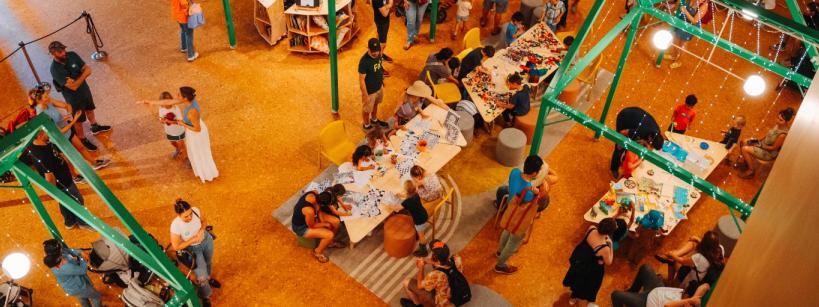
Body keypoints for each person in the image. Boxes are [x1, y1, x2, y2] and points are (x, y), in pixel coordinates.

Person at [138, 87, 219, 182]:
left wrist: (182, 123)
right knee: (195, 152)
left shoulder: (192, 111)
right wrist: (149, 102)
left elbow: (197, 129)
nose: (176, 96)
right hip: (191, 128)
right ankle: (201, 171)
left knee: (199, 153)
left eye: (179, 94)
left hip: (196, 133)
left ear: (184, 98)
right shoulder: (188, 101)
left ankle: (207, 173)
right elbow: (167, 102)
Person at [29, 83, 110, 169]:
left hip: (66, 130)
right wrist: (74, 120)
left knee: (81, 147)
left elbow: (66, 105)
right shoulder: (42, 115)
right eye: (45, 97)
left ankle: (94, 163)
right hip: (58, 138)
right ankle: (75, 177)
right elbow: (58, 132)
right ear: (39, 101)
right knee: (68, 158)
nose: (48, 97)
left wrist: (69, 114)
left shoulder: (48, 101)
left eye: (47, 95)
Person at [48, 41, 111, 152]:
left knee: (90, 109)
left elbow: (88, 69)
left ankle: (95, 126)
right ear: (53, 54)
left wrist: (77, 80)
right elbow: (73, 87)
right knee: (78, 120)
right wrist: (82, 76)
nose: (63, 53)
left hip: (85, 90)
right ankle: (82, 138)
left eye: (63, 50)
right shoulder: (55, 69)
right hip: (73, 98)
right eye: (60, 52)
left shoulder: (72, 55)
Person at [28, 131, 93, 230]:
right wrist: (54, 192)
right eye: (46, 132)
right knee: (77, 200)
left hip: (63, 180)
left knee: (64, 202)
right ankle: (83, 222)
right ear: (40, 135)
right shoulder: (42, 154)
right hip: (63, 183)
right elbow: (49, 176)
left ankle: (69, 221)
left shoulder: (39, 145)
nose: (48, 132)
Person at [494, 155, 543, 274]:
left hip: (510, 210)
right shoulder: (529, 193)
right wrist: (537, 192)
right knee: (513, 241)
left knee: (506, 231)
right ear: (534, 173)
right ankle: (500, 265)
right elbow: (532, 205)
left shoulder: (514, 172)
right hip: (519, 218)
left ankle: (499, 251)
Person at [170, 199, 220, 306]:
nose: (190, 218)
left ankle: (209, 278)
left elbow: (204, 220)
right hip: (193, 249)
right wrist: (192, 240)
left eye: (190, 214)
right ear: (178, 215)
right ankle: (205, 296)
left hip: (206, 240)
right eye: (186, 217)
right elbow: (176, 246)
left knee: (208, 262)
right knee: (201, 275)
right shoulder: (176, 226)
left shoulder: (195, 210)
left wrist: (202, 230)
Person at [562, 218, 617, 306]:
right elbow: (609, 262)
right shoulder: (605, 248)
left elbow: (588, 245)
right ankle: (581, 299)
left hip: (580, 261)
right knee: (586, 285)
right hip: (590, 269)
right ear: (609, 232)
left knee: (577, 280)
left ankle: (572, 298)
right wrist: (610, 244)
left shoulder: (591, 228)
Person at [611, 264, 711, 307]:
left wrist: (689, 301)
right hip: (658, 288)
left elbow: (667, 305)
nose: (683, 291)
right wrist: (694, 298)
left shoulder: (685, 303)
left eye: (685, 293)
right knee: (645, 267)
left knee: (615, 295)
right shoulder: (692, 299)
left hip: (647, 302)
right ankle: (633, 291)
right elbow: (705, 286)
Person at [401, 240, 465, 307]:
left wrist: (421, 268)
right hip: (456, 296)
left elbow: (419, 285)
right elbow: (443, 264)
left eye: (433, 253)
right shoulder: (457, 258)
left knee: (406, 282)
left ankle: (417, 305)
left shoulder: (435, 275)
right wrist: (429, 261)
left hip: (443, 303)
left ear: (436, 259)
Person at [736, 107, 794, 179]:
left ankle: (751, 171)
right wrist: (757, 140)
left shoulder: (782, 135)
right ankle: (747, 161)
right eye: (778, 118)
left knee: (744, 149)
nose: (777, 121)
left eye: (780, 120)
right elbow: (768, 134)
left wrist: (760, 146)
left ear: (786, 122)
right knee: (743, 141)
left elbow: (774, 148)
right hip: (762, 144)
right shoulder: (778, 125)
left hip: (768, 152)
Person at [654, 230, 724, 289]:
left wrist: (671, 254)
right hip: (701, 273)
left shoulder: (699, 258)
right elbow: (708, 247)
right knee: (693, 243)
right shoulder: (720, 249)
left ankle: (669, 283)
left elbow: (682, 261)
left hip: (690, 279)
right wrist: (697, 239)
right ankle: (671, 256)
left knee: (673, 260)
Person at [43, 240, 102, 307]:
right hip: (79, 287)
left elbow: (68, 250)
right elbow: (82, 270)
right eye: (60, 248)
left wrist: (80, 252)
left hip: (73, 287)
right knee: (97, 297)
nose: (62, 249)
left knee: (83, 297)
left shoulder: (53, 257)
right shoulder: (64, 267)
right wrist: (84, 259)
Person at [291, 191, 344, 263]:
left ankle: (330, 243)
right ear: (322, 204)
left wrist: (322, 221)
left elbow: (318, 210)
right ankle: (317, 252)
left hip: (313, 218)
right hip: (302, 227)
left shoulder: (314, 193)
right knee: (329, 235)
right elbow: (312, 226)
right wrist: (325, 224)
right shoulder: (309, 211)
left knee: (336, 221)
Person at [611, 107, 664, 178]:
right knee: (620, 148)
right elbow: (622, 132)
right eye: (651, 146)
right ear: (649, 138)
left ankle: (625, 162)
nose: (651, 148)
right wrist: (620, 142)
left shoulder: (656, 132)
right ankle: (614, 168)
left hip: (636, 118)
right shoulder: (641, 131)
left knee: (632, 144)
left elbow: (646, 145)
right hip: (624, 118)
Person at [388, 181, 431, 256]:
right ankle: (419, 236)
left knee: (422, 236)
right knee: (420, 233)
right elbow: (408, 196)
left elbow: (397, 209)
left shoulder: (407, 202)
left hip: (419, 220)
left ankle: (424, 251)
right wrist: (401, 195)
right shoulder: (416, 194)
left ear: (407, 191)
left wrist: (389, 205)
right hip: (423, 214)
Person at [667, 0, 709, 69]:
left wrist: (685, 11)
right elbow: (679, 3)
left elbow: (694, 21)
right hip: (681, 20)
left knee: (682, 44)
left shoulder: (704, 5)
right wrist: (676, 7)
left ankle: (679, 61)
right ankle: (674, 55)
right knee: (675, 39)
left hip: (690, 26)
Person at [359, 38, 388, 130]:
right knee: (367, 110)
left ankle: (374, 120)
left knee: (376, 104)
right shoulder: (364, 62)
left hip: (379, 86)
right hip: (370, 90)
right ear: (368, 49)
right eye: (373, 51)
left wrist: (382, 80)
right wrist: (365, 95)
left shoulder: (379, 54)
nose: (375, 53)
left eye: (377, 51)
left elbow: (379, 67)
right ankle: (366, 125)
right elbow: (361, 80)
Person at [157, 91, 187, 160]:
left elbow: (180, 121)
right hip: (169, 130)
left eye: (167, 102)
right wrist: (161, 120)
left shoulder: (176, 108)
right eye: (163, 102)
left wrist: (169, 121)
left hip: (178, 130)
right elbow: (161, 118)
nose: (165, 104)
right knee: (172, 142)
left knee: (182, 145)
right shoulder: (161, 108)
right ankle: (178, 150)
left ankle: (187, 157)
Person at [372, 0, 395, 66]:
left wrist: (386, 6)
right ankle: (378, 64)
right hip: (381, 22)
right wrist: (390, 5)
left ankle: (379, 54)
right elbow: (385, 14)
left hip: (383, 20)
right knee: (383, 44)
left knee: (378, 38)